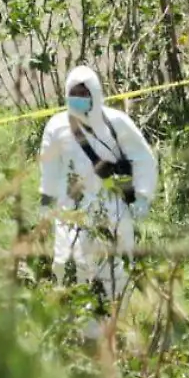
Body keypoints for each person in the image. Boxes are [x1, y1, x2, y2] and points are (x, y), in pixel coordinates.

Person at [36, 65, 158, 340]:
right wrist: (47, 205)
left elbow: (142, 157)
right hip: (73, 211)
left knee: (116, 268)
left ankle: (117, 326)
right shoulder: (56, 128)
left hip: (113, 206)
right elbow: (50, 170)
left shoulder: (116, 123)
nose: (78, 97)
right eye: (73, 93)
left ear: (95, 93)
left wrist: (142, 196)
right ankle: (83, 334)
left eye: (84, 92)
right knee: (71, 265)